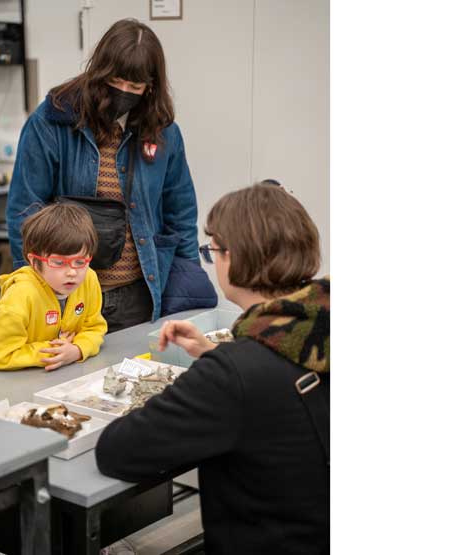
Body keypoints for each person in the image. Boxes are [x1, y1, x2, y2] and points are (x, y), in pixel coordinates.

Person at [95, 183, 330, 555]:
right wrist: (215, 353)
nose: (213, 261)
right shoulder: (320, 328)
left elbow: (117, 450)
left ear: (235, 258)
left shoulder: (233, 374)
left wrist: (218, 368)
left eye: (213, 251)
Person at [5, 18, 207, 333]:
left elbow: (181, 213)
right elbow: (24, 210)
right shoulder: (52, 122)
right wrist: (28, 289)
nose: (124, 92)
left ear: (150, 87)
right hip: (67, 296)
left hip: (138, 294)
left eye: (135, 87)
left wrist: (188, 288)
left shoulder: (164, 131)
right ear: (99, 71)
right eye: (116, 81)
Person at [0, 203, 108, 371]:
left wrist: (77, 349)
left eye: (80, 262)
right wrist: (54, 351)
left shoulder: (88, 278)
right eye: (59, 263)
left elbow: (94, 327)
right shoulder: (19, 297)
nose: (72, 272)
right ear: (35, 262)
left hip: (69, 376)